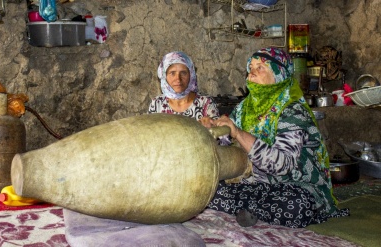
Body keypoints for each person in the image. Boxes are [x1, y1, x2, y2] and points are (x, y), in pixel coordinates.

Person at [207, 47, 349, 228]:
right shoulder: (244, 108)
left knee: (296, 205)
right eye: (250, 68)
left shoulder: (292, 110)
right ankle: (256, 210)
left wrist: (239, 133)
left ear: (279, 73)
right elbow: (228, 144)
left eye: (260, 67)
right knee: (211, 191)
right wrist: (213, 131)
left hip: (294, 185)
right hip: (257, 187)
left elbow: (282, 165)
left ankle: (252, 209)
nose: (252, 73)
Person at [148, 51, 230, 145]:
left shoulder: (205, 103)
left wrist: (212, 127)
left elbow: (224, 141)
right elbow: (149, 139)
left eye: (183, 73)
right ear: (164, 76)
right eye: (172, 73)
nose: (178, 79)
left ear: (191, 75)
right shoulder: (157, 104)